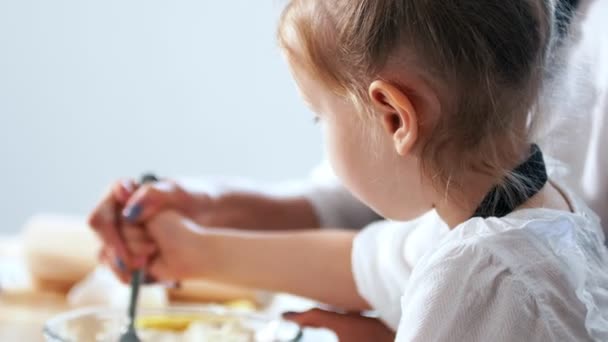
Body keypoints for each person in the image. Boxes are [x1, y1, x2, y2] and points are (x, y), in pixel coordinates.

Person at [89, 0, 608, 340]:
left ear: (395, 117)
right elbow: (369, 262)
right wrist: (184, 248)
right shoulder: (537, 202)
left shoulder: (475, 270)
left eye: (320, 116)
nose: (322, 135)